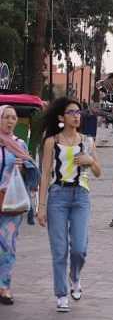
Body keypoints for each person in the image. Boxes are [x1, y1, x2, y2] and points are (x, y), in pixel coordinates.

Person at [37, 98, 102, 312]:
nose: (77, 115)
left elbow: (98, 172)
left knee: (80, 249)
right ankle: (62, 294)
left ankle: (75, 276)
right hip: (57, 196)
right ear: (61, 117)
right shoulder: (51, 142)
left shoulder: (88, 141)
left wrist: (90, 161)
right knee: (59, 250)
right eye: (71, 112)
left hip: (81, 197)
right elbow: (45, 174)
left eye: (78, 112)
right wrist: (41, 206)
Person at [0, 105, 39, 306]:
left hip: (12, 202)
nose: (9, 121)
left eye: (13, 118)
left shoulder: (19, 144)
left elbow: (33, 170)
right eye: (5, 117)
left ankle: (4, 286)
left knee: (8, 245)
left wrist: (23, 167)